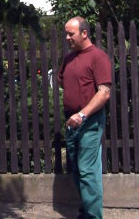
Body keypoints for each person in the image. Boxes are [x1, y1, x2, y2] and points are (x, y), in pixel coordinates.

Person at [58, 16, 112, 219]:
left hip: (89, 121)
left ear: (84, 33)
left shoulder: (98, 57)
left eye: (71, 33)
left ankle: (93, 216)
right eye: (66, 33)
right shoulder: (69, 59)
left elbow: (104, 92)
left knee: (88, 170)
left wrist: (82, 113)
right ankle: (86, 210)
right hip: (72, 122)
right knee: (77, 170)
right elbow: (63, 81)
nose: (67, 38)